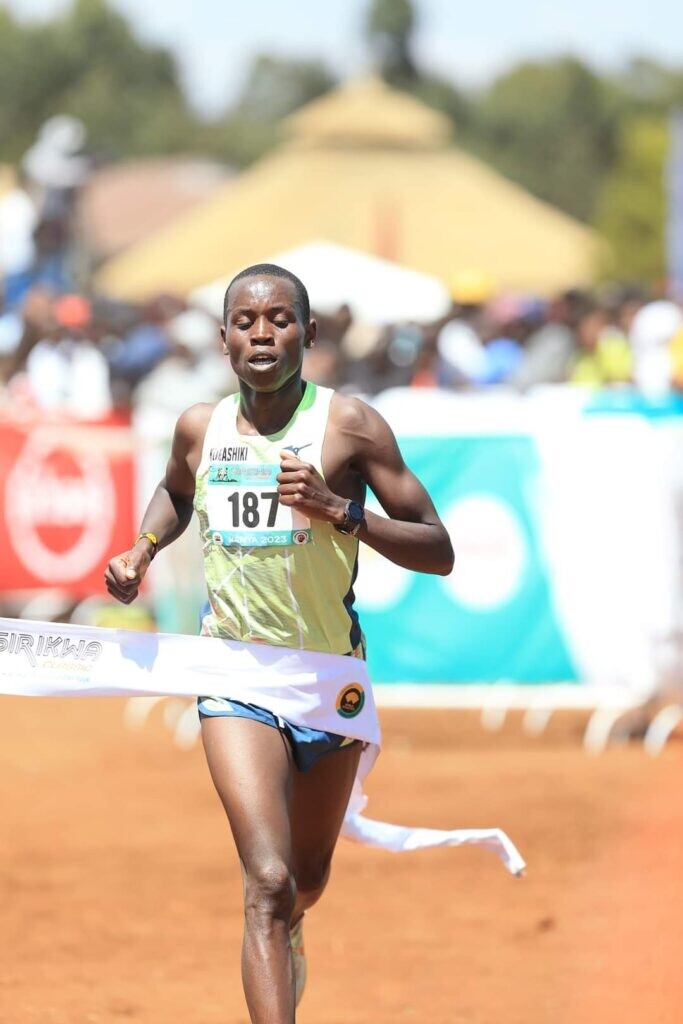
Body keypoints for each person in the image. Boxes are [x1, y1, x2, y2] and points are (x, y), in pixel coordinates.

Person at [104, 263, 454, 1023]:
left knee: (305, 880)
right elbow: (176, 491)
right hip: (233, 673)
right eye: (245, 321)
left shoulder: (350, 426)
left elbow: (438, 548)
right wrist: (143, 548)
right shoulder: (200, 427)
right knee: (265, 881)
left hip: (329, 681)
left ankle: (291, 926)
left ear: (309, 333)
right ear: (224, 338)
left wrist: (342, 510)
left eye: (280, 319)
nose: (262, 334)